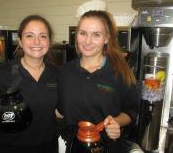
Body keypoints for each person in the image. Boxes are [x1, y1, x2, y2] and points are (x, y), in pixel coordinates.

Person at [58, 10, 139, 153]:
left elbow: (130, 111)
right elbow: (59, 110)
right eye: (83, 33)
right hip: (70, 145)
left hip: (107, 145)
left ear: (106, 38)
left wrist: (116, 123)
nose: (88, 41)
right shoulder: (65, 72)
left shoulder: (120, 72)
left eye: (96, 35)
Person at [0, 15, 59, 153]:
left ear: (49, 41)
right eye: (29, 36)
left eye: (42, 36)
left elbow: (57, 112)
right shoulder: (4, 72)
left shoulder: (56, 73)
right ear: (21, 41)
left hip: (49, 148)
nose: (37, 42)